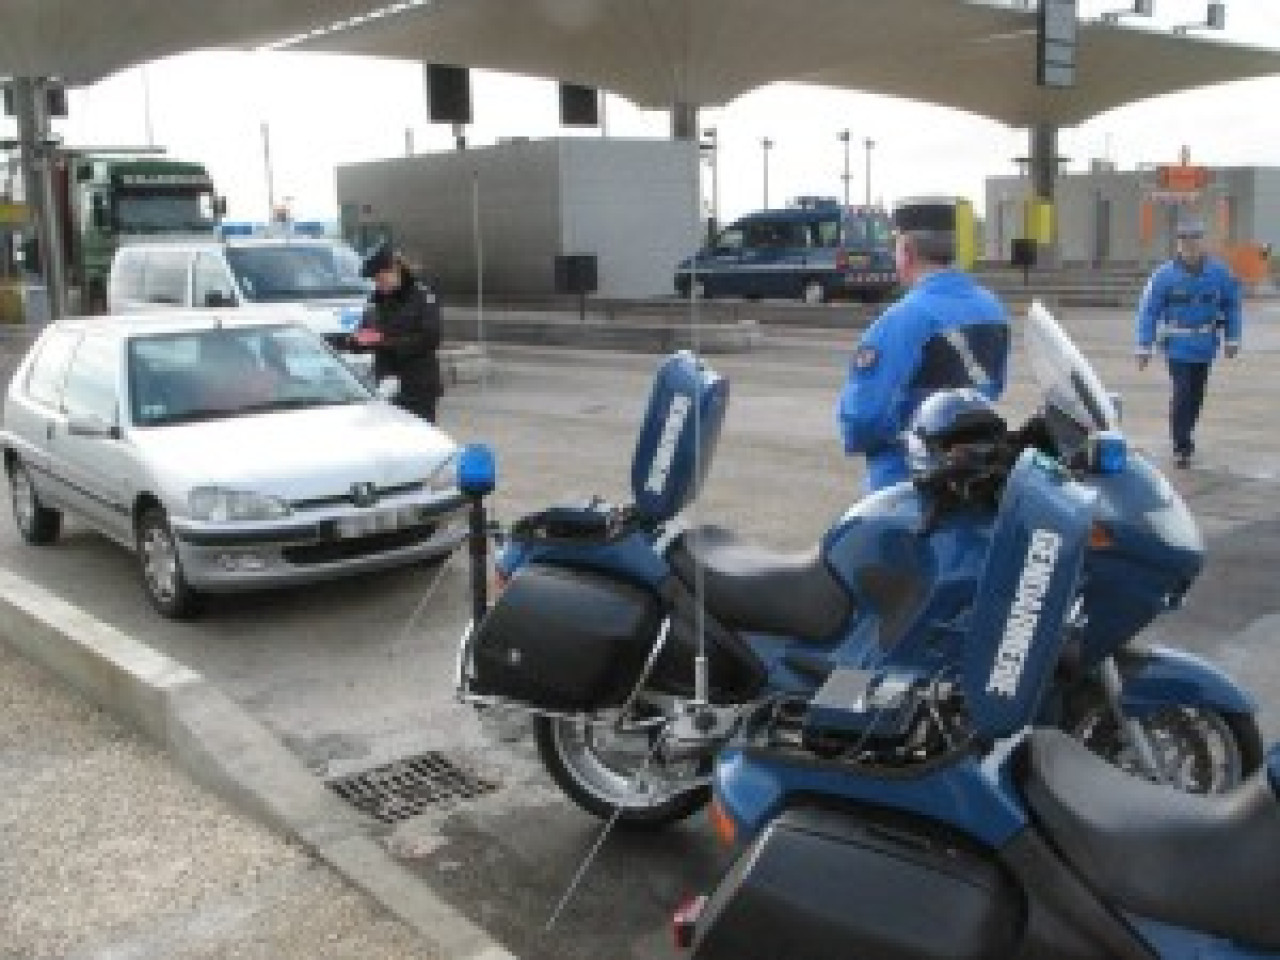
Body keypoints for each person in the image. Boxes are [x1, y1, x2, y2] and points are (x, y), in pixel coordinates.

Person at [836, 200, 1010, 491]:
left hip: (907, 482)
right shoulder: (992, 307)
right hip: (973, 475)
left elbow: (866, 418)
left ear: (906, 251)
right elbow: (994, 386)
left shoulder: (903, 318)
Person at [1135, 218, 1243, 469]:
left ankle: (1185, 434)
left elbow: (1232, 305)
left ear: (1202, 241)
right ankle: (1181, 446)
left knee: (1196, 396)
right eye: (1184, 239)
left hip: (1205, 346)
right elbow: (1148, 311)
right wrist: (1144, 346)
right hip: (1177, 347)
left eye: (1194, 239)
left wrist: (1233, 338)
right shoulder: (1163, 276)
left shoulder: (1220, 273)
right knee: (1182, 393)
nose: (1189, 244)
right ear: (1178, 243)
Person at [352, 242, 443, 423]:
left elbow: (430, 337)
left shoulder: (422, 295)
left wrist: (386, 343)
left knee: (419, 439)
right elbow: (366, 329)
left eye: (381, 278)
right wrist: (356, 341)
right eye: (375, 280)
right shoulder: (377, 298)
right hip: (386, 384)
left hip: (417, 386)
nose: (378, 284)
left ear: (395, 269)